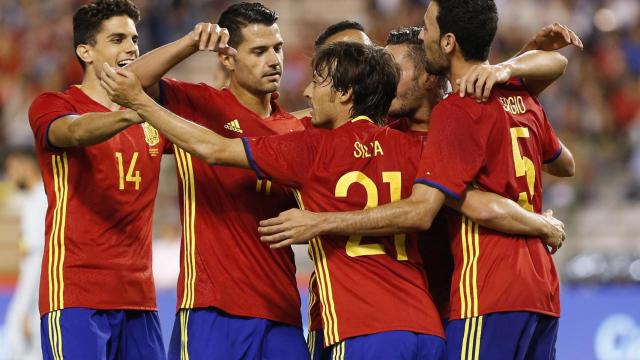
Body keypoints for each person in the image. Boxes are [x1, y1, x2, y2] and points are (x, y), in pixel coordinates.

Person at [257, 1, 577, 358]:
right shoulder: (389, 132)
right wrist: (513, 64)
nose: (378, 78)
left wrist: (507, 66)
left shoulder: (453, 119)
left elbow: (456, 203)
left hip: (471, 299)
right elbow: (563, 156)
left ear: (430, 74)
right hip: (419, 313)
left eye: (392, 69)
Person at [122, 3, 309, 359]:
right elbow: (127, 82)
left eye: (278, 48)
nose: (274, 60)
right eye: (258, 51)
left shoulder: (295, 128)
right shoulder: (198, 104)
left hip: (282, 311)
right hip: (212, 310)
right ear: (227, 59)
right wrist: (191, 43)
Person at [27, 1, 167, 358]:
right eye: (117, 39)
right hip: (75, 292)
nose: (132, 48)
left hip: (140, 299)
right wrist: (134, 112)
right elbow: (74, 133)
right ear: (85, 51)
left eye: (134, 39)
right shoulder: (54, 104)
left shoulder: (152, 114)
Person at [1, 148, 47, 360]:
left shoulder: (44, 195)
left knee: (20, 322)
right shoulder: (30, 196)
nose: (10, 175)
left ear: (26, 167)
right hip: (31, 262)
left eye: (12, 169)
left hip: (40, 260)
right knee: (24, 322)